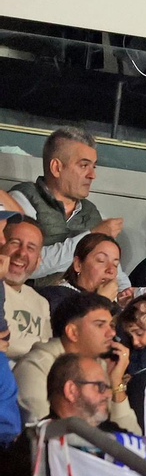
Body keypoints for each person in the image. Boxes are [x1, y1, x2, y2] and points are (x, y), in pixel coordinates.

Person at [7, 127, 128, 287]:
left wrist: (128, 293)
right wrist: (92, 235)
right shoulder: (21, 199)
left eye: (94, 167)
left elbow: (115, 273)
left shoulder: (93, 214)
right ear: (56, 168)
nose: (92, 175)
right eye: (84, 165)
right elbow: (27, 264)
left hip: (82, 305)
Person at [16, 291, 136, 430]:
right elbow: (42, 433)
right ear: (73, 332)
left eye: (111, 326)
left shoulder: (103, 367)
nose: (112, 333)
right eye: (100, 325)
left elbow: (133, 439)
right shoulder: (36, 366)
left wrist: (116, 383)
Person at [37, 232, 124, 314]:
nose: (111, 270)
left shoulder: (114, 309)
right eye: (101, 260)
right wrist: (101, 301)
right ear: (78, 264)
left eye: (115, 265)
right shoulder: (55, 296)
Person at [4, 217, 52, 359]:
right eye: (15, 243)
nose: (22, 253)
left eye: (31, 248)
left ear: (38, 262)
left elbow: (46, 354)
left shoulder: (41, 303)